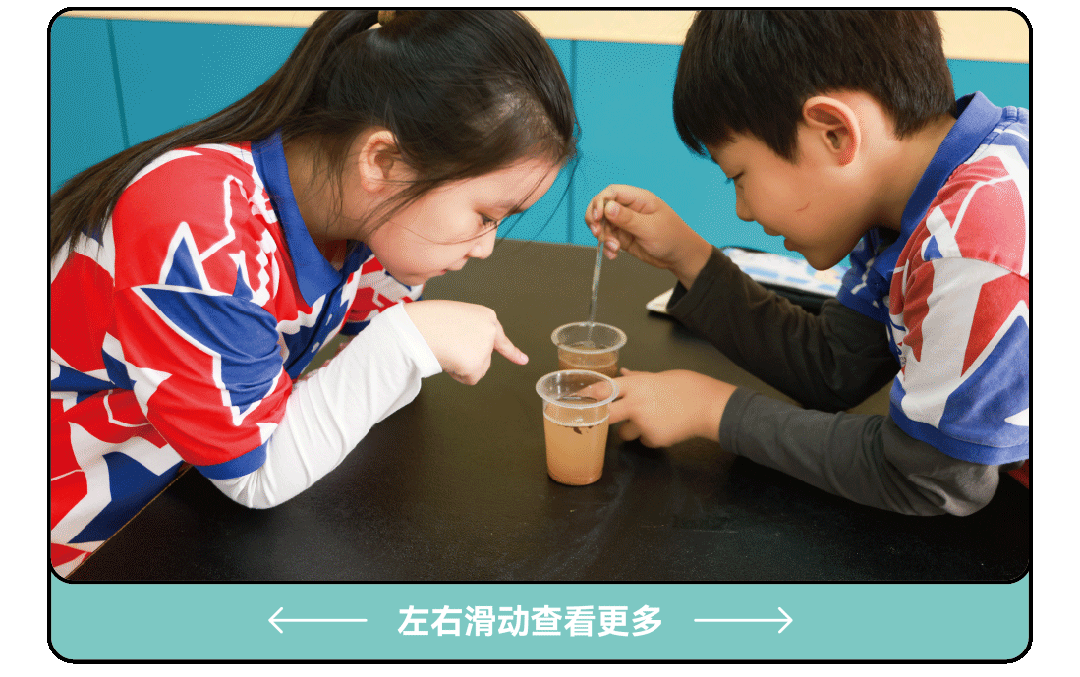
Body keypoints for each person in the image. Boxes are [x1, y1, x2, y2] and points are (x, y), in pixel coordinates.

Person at [50, 10, 577, 576]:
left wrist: (399, 335)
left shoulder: (357, 212)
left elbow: (370, 359)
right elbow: (256, 474)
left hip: (186, 490)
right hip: (92, 539)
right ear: (383, 162)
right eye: (486, 215)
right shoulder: (196, 231)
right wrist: (408, 340)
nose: (487, 246)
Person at [585, 10, 1027, 516]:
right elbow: (836, 367)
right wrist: (687, 255)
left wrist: (711, 409)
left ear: (834, 133)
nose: (742, 210)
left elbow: (932, 476)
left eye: (739, 176)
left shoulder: (973, 243)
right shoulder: (902, 204)